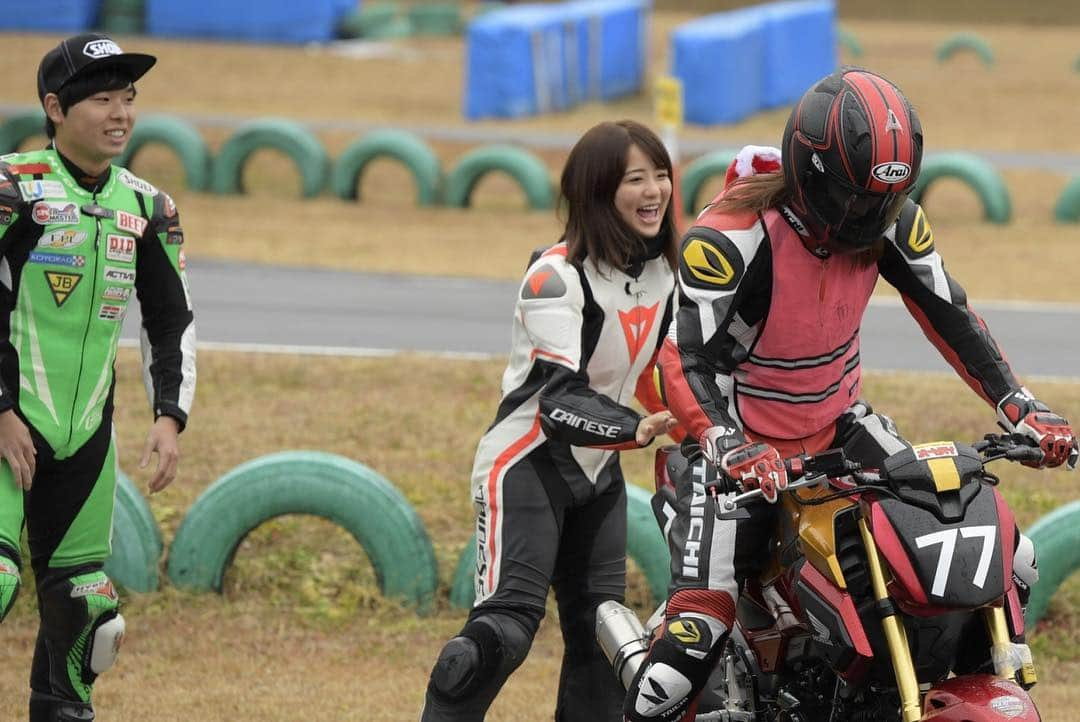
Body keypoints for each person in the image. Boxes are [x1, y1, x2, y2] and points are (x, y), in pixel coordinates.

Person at [623, 67, 1078, 722]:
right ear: (810, 173)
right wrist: (728, 443)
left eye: (882, 200)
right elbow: (681, 356)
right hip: (731, 454)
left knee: (1007, 556)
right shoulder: (731, 237)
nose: (869, 214)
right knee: (689, 647)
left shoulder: (895, 221)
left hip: (839, 428)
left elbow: (951, 314)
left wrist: (1020, 405)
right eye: (855, 197)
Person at [420, 120, 681, 722]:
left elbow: (665, 373)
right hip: (525, 465)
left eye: (661, 175)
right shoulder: (554, 276)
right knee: (502, 634)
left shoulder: (667, 276)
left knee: (604, 642)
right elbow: (557, 401)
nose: (654, 191)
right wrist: (633, 429)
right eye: (634, 179)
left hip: (600, 476)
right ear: (596, 192)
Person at [0, 33, 196, 722]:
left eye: (128, 99)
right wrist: (1, 410)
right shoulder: (10, 187)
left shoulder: (149, 209)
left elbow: (172, 321)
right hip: (4, 425)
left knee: (89, 609)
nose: (120, 114)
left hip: (85, 438)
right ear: (55, 108)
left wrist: (169, 417)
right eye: (101, 99)